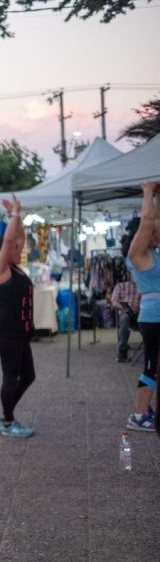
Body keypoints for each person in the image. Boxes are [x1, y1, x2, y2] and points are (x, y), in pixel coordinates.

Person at [0, 195, 36, 437]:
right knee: (11, 377)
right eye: (14, 249)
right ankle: (7, 422)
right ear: (4, 252)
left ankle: (6, 414)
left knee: (28, 376)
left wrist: (18, 214)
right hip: (8, 335)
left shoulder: (16, 269)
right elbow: (9, 241)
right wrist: (14, 216)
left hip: (20, 334)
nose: (19, 249)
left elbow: (17, 238)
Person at [125, 184, 160, 432]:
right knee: (150, 365)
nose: (155, 233)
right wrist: (148, 192)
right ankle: (139, 415)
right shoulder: (138, 255)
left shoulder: (153, 253)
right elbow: (147, 222)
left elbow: (154, 221)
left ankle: (146, 411)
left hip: (155, 317)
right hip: (153, 317)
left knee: (155, 365)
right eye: (152, 233)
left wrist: (158, 196)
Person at [110, 269, 139, 364]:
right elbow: (114, 302)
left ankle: (152, 351)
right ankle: (122, 353)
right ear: (129, 274)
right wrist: (126, 308)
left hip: (141, 313)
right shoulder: (120, 286)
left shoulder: (143, 287)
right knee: (125, 317)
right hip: (126, 312)